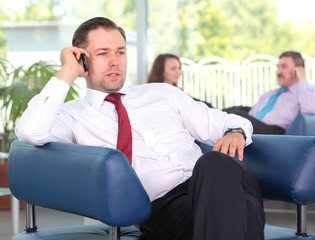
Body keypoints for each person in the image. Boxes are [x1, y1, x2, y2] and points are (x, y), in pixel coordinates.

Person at [15, 17, 265, 240]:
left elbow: (225, 121)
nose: (115, 62)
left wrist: (235, 132)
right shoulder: (72, 115)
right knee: (246, 209)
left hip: (216, 180)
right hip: (165, 207)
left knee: (214, 162)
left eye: (120, 52)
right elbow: (30, 131)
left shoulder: (162, 92)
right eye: (103, 53)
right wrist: (67, 71)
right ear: (82, 59)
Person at [224, 51, 315, 134]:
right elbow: (252, 115)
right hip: (257, 126)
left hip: (275, 132)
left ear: (298, 70)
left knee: (236, 115)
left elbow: (310, 109)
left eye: (283, 66)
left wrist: (302, 79)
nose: (278, 72)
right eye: (277, 67)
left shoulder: (303, 94)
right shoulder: (270, 94)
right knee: (233, 111)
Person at [147, 53, 213, 108]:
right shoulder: (155, 95)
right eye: (173, 69)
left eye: (179, 68)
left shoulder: (177, 92)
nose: (178, 72)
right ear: (160, 71)